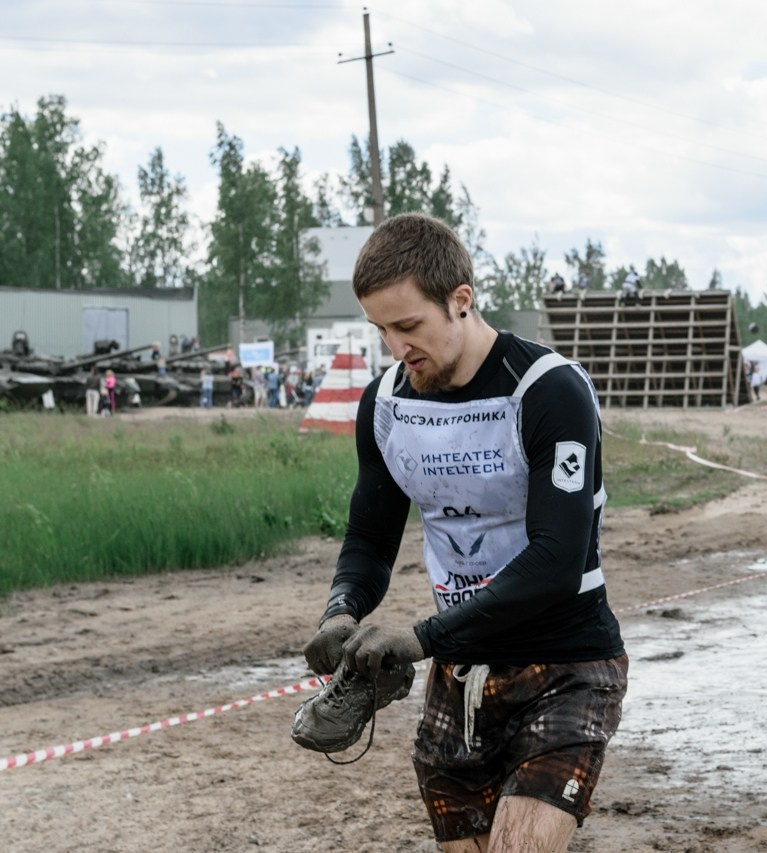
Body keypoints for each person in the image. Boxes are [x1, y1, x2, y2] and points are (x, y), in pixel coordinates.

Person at [300, 213, 627, 851]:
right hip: (460, 673)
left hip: (565, 661)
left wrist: (419, 638)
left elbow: (558, 559)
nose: (396, 347)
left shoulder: (548, 390)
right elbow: (369, 539)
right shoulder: (387, 405)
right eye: (381, 330)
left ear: (460, 302)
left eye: (408, 326)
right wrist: (342, 610)